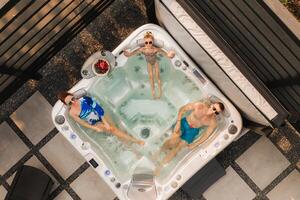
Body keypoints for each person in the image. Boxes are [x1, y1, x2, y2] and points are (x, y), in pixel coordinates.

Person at [154, 100, 225, 175]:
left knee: (177, 149)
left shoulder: (212, 122)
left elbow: (206, 135)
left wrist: (195, 144)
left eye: (216, 112)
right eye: (214, 108)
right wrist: (178, 122)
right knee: (174, 140)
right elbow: (183, 109)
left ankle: (160, 166)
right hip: (184, 123)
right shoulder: (200, 106)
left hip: (192, 132)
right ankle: (159, 152)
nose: (213, 112)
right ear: (212, 105)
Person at [58, 91, 144, 145]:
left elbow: (98, 109)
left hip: (101, 115)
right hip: (96, 123)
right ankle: (135, 141)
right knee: (113, 129)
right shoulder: (72, 113)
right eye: (70, 103)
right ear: (66, 105)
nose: (73, 102)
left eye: (73, 98)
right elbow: (82, 123)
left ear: (73, 95)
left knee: (114, 128)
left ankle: (128, 143)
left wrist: (105, 122)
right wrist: (94, 128)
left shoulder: (85, 99)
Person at [124, 31, 175, 99]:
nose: (148, 44)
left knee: (157, 77)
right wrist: (127, 53)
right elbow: (132, 54)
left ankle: (160, 92)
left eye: (150, 42)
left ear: (152, 42)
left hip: (155, 62)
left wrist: (170, 54)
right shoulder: (142, 49)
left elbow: (165, 54)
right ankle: (153, 92)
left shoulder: (155, 49)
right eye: (146, 42)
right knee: (151, 77)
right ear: (144, 42)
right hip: (149, 63)